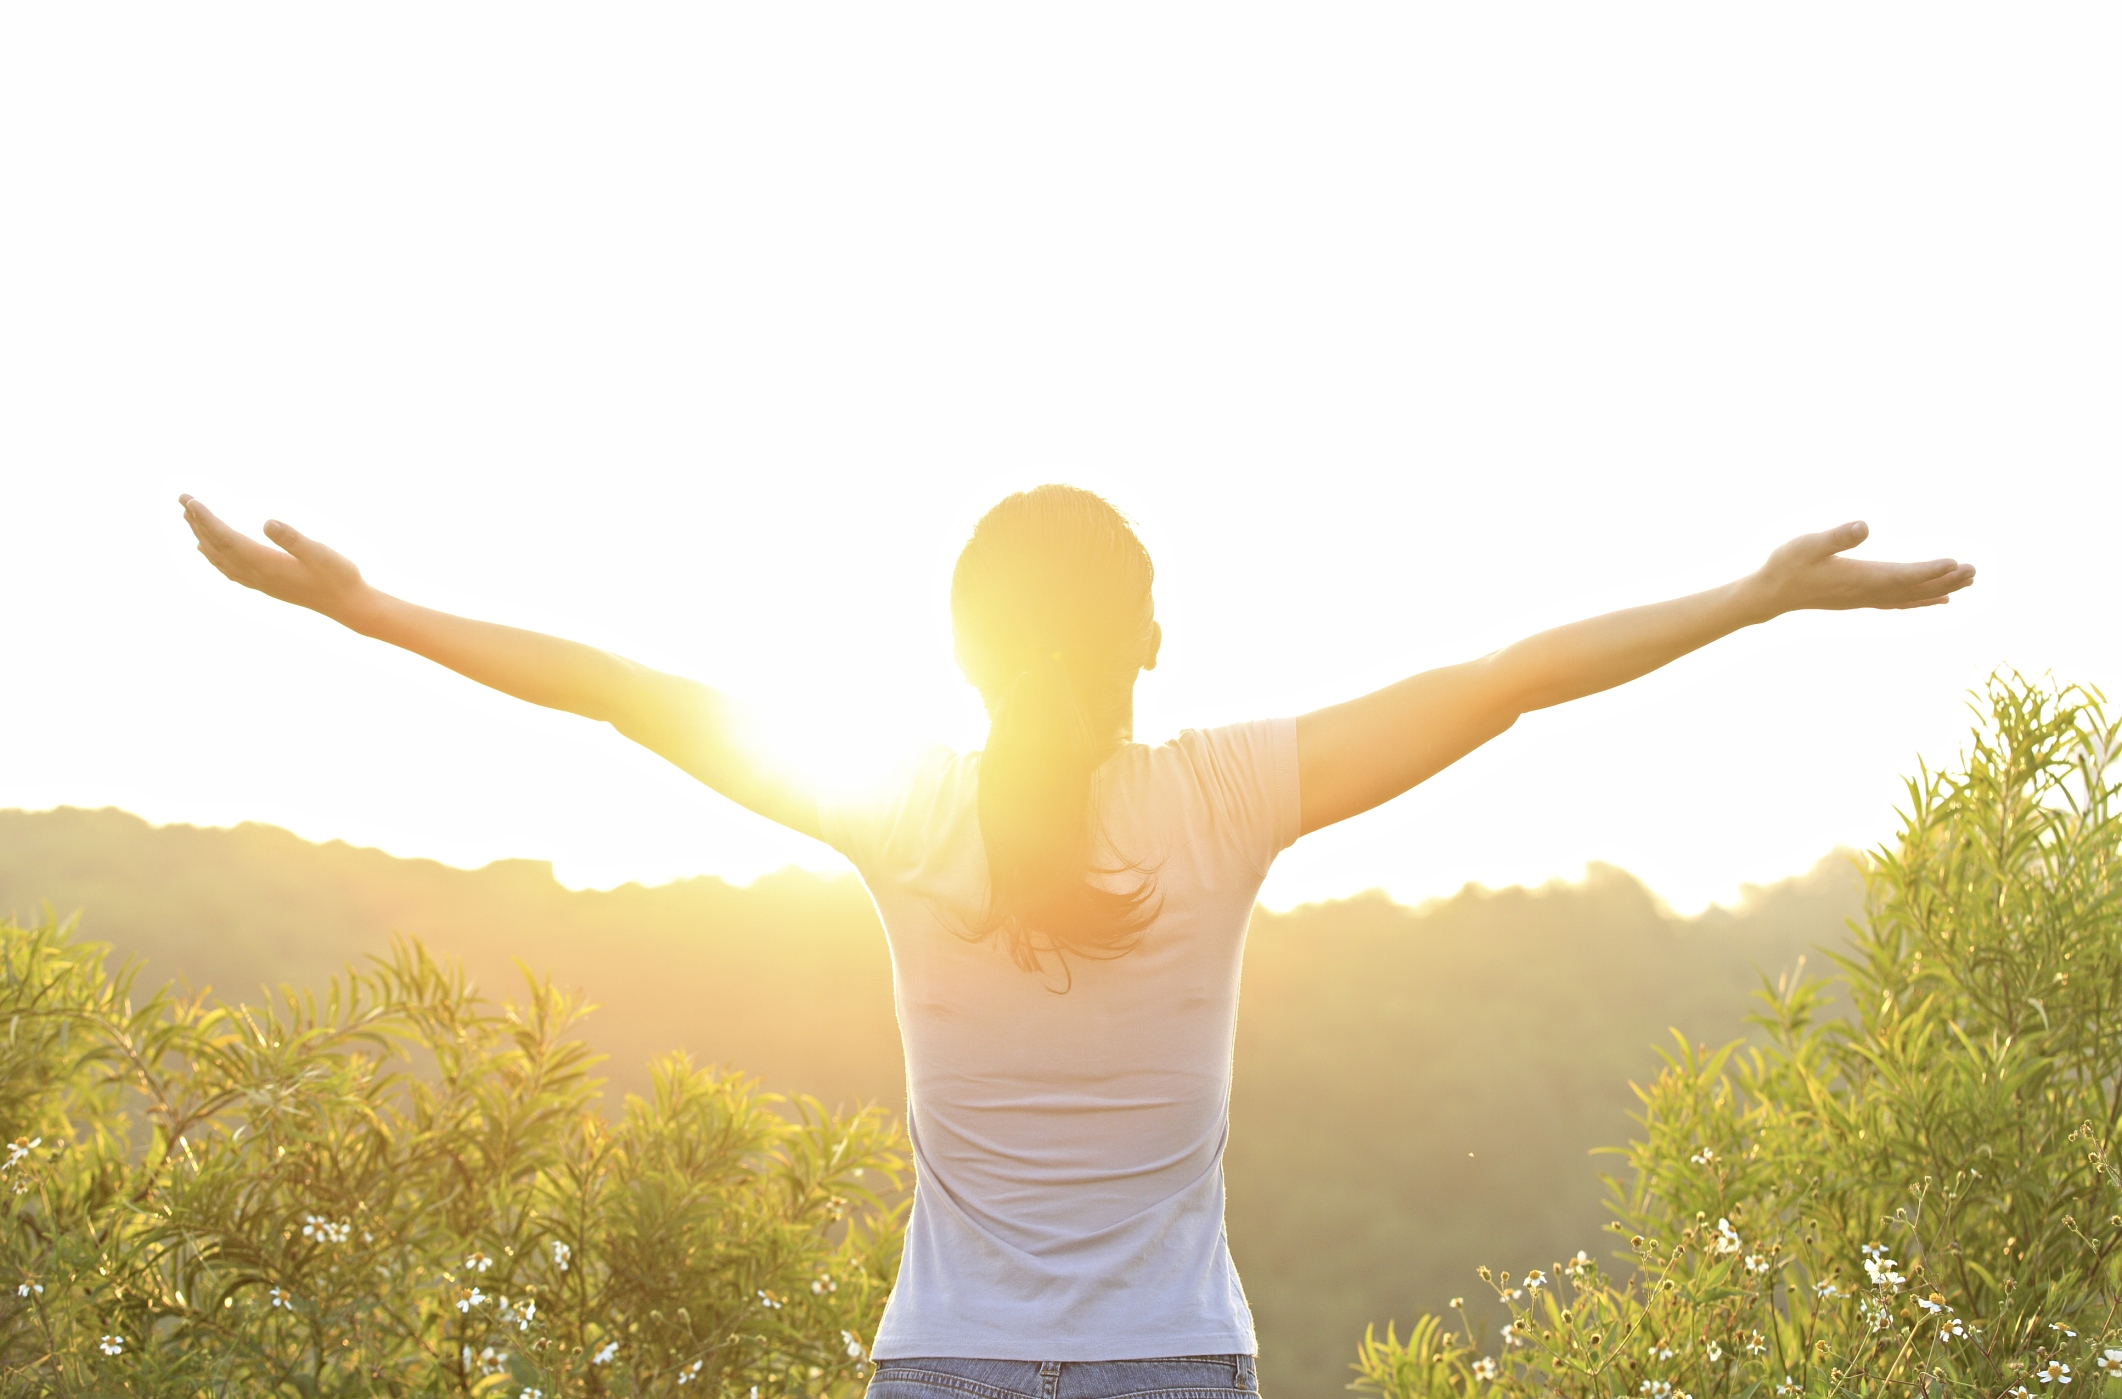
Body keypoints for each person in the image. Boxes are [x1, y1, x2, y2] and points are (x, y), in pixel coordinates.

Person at [179, 485, 1973, 1397]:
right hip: (1171, 1363)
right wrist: (1757, 597)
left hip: (939, 1358)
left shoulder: (904, 807)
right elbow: (1504, 684)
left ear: (963, 659)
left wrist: (363, 607)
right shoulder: (1223, 795)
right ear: (1150, 640)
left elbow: (620, 698)